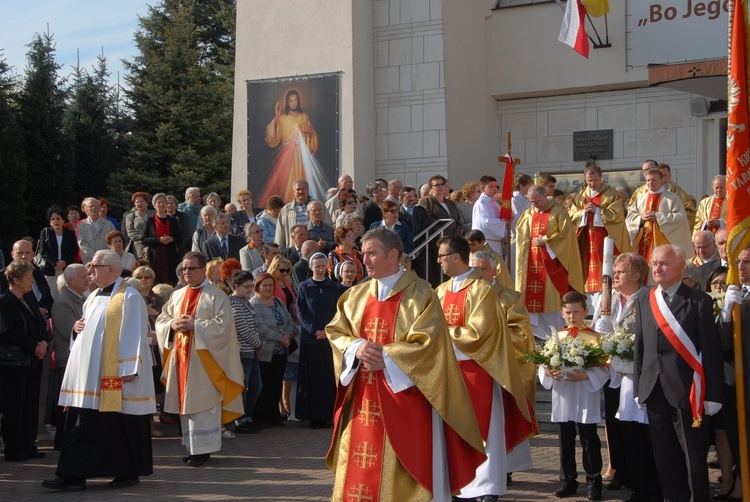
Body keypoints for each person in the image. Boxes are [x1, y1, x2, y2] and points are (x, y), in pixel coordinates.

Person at [325, 227, 486, 500]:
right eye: (364, 254)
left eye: (372, 254)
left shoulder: (421, 295)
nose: (365, 261)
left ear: (393, 254)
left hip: (405, 401)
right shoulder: (356, 296)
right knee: (358, 463)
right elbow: (336, 331)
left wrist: (386, 358)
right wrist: (357, 347)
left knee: (402, 471)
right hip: (363, 401)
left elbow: (430, 345)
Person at [43, 250, 154, 491]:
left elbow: (134, 333)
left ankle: (126, 471)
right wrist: (76, 328)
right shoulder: (92, 296)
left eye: (95, 266)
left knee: (116, 423)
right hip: (89, 376)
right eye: (90, 266)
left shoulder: (129, 297)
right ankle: (73, 474)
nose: (90, 270)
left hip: (115, 376)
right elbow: (89, 331)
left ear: (111, 270)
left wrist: (128, 368)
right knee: (84, 422)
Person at [435, 236, 534, 501]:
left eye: (442, 256)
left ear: (456, 257)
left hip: (479, 369)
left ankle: (488, 487)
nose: (438, 261)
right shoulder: (441, 292)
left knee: (485, 432)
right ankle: (458, 483)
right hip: (449, 371)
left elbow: (480, 334)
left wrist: (442, 334)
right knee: (454, 430)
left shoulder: (482, 290)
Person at [633, 244, 723, 501]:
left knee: (693, 457)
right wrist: (640, 386)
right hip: (654, 390)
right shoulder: (644, 297)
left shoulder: (699, 301)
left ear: (681, 267)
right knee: (664, 457)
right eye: (654, 263)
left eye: (664, 263)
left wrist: (713, 395)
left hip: (688, 392)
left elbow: (711, 351)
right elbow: (641, 345)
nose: (657, 268)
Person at [156, 251, 245, 467]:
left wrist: (195, 325)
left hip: (206, 362)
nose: (186, 272)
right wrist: (171, 325)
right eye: (184, 268)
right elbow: (162, 319)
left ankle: (204, 450)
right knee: (186, 405)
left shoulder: (216, 295)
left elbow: (224, 326)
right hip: (182, 359)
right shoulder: (177, 295)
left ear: (202, 269)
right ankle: (191, 447)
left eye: (191, 268)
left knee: (204, 406)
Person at [592, 253, 655, 500]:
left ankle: (647, 481)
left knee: (639, 431)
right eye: (614, 270)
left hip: (637, 376)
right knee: (616, 426)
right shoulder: (607, 299)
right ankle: (623, 472)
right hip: (612, 374)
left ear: (638, 275)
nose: (614, 275)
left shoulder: (648, 298)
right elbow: (600, 330)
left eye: (621, 271)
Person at [539, 291, 610, 500]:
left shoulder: (595, 337)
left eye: (576, 312)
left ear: (585, 312)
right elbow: (543, 363)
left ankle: (593, 482)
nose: (572, 316)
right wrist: (547, 371)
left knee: (589, 439)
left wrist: (587, 375)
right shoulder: (556, 337)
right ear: (562, 313)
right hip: (564, 395)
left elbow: (606, 368)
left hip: (585, 394)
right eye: (568, 312)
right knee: (566, 439)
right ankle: (568, 481)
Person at [515, 185, 584, 339]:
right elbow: (521, 239)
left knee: (550, 301)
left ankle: (556, 336)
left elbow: (566, 235)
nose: (533, 205)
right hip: (532, 264)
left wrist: (546, 240)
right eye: (531, 202)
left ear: (545, 196)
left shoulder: (558, 212)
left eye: (536, 201)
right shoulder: (527, 215)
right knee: (531, 302)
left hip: (551, 265)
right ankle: (538, 337)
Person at [0, 259, 48, 462]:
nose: (32, 282)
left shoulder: (29, 299)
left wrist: (44, 342)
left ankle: (28, 444)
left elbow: (40, 324)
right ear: (16, 280)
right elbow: (6, 331)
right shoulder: (4, 301)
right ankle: (13, 447)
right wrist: (33, 345)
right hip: (13, 365)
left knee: (30, 404)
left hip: (32, 362)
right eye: (28, 278)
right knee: (14, 406)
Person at [567, 165, 629, 307]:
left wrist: (597, 211)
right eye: (589, 181)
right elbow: (571, 216)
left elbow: (617, 217)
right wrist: (583, 213)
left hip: (604, 239)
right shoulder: (580, 196)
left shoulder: (612, 194)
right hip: (585, 239)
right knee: (586, 269)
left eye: (595, 180)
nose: (592, 184)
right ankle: (588, 306)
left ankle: (607, 302)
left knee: (605, 269)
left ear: (601, 178)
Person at [295, 253, 344, 428]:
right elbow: (300, 311)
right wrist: (314, 330)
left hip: (329, 340)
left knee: (327, 379)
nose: (321, 269)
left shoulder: (333, 287)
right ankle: (313, 416)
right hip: (311, 340)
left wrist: (328, 330)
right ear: (311, 268)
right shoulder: (304, 287)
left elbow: (337, 311)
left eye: (323, 266)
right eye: (317, 266)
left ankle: (327, 415)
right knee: (312, 379)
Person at [49, 264, 88, 450]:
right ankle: (63, 440)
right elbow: (69, 331)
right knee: (67, 404)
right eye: (83, 276)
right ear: (71, 281)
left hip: (81, 360)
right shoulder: (63, 302)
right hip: (69, 359)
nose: (88, 279)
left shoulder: (84, 299)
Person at [262, 89, 325, 202]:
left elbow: (312, 134)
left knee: (304, 178)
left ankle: (306, 203)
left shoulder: (304, 116)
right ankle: (288, 203)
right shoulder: (282, 118)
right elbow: (272, 136)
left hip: (302, 154)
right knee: (287, 182)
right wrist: (276, 116)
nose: (294, 103)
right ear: (287, 103)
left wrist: (308, 130)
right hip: (287, 155)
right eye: (291, 100)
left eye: (295, 100)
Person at [249, 272, 296, 427]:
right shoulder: (254, 303)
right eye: (265, 285)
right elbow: (259, 326)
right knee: (264, 385)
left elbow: (289, 319)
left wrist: (288, 335)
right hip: (265, 351)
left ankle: (273, 415)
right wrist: (279, 337)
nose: (268, 288)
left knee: (276, 384)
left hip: (282, 350)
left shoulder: (278, 302)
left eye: (270, 285)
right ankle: (261, 416)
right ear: (258, 286)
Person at [627, 168, 694, 269]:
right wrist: (641, 218)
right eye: (648, 180)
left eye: (653, 180)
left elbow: (680, 218)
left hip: (662, 241)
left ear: (662, 181)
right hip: (643, 241)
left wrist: (658, 217)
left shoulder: (672, 198)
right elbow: (630, 218)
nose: (650, 182)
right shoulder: (640, 198)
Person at [229, 270, 263, 434]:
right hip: (243, 353)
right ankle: (240, 420)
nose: (250, 290)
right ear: (236, 286)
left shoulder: (245, 302)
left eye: (251, 286)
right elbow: (242, 329)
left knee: (256, 385)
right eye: (247, 287)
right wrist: (258, 343)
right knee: (244, 386)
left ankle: (247, 416)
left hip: (252, 351)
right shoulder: (233, 304)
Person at [419, 175, 465, 286]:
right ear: (431, 187)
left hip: (452, 242)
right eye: (437, 185)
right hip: (436, 243)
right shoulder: (426, 201)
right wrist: (445, 236)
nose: (440, 187)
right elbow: (429, 221)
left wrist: (455, 235)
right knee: (438, 273)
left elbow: (458, 221)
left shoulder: (451, 203)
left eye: (442, 184)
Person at [628, 160, 697, 231]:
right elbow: (631, 214)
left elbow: (685, 212)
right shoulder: (639, 192)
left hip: (667, 233)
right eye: (644, 170)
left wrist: (659, 217)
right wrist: (641, 218)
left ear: (658, 169)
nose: (647, 172)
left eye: (650, 169)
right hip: (644, 232)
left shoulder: (673, 189)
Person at [36, 206, 80, 297]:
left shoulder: (70, 233)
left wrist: (64, 262)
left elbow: (74, 250)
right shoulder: (45, 232)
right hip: (50, 269)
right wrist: (55, 262)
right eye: (53, 219)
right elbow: (43, 251)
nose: (56, 221)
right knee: (51, 294)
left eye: (58, 218)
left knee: (66, 294)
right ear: (50, 222)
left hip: (66, 269)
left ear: (63, 220)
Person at [142, 193, 181, 285]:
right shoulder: (150, 220)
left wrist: (172, 239)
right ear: (154, 205)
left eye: (163, 202)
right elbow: (143, 239)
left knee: (170, 280)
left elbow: (179, 238)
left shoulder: (173, 220)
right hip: (155, 255)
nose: (161, 204)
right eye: (158, 202)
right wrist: (159, 240)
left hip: (170, 255)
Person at [471, 175, 507, 256]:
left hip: (496, 242)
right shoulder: (481, 203)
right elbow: (487, 223)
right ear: (482, 188)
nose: (495, 189)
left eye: (496, 186)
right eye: (491, 186)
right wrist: (504, 221)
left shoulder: (494, 203)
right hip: (487, 242)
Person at [276, 180, 316, 249]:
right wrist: (279, 250)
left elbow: (328, 226)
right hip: (293, 250)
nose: (300, 191)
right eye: (298, 189)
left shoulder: (318, 206)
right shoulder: (285, 210)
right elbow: (280, 233)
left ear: (308, 190)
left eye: (303, 189)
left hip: (313, 248)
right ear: (294, 192)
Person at [77, 197, 116, 264]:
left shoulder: (109, 224)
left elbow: (113, 242)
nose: (94, 208)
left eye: (96, 206)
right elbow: (82, 244)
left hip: (105, 261)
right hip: (89, 261)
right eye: (91, 206)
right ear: (86, 209)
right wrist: (95, 255)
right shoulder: (82, 225)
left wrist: (103, 255)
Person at [124, 192, 154, 259]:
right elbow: (131, 232)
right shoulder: (130, 216)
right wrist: (146, 239)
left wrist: (153, 240)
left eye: (142, 201)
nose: (139, 203)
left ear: (147, 202)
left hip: (154, 246)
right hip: (139, 249)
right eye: (137, 202)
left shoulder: (154, 214)